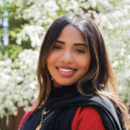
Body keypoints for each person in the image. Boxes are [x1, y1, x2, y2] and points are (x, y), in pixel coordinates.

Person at [19, 13, 130, 130]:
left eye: (79, 50)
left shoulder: (90, 113)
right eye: (57, 47)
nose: (66, 58)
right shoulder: (37, 109)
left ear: (94, 58)